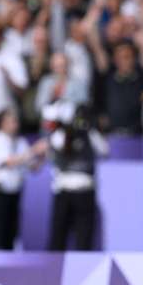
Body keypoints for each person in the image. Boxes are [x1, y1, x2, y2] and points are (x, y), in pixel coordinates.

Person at [44, 105, 108, 251]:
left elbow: (104, 150)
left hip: (71, 189)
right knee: (72, 237)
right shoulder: (85, 134)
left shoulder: (62, 135)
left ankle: (60, 269)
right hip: (77, 189)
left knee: (67, 237)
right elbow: (105, 150)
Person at [0, 110, 38, 249]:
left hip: (14, 193)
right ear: (2, 124)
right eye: (12, 121)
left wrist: (43, 153)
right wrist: (34, 150)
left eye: (16, 121)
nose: (16, 125)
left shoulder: (20, 141)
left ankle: (6, 268)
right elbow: (9, 162)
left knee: (10, 236)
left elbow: (33, 166)